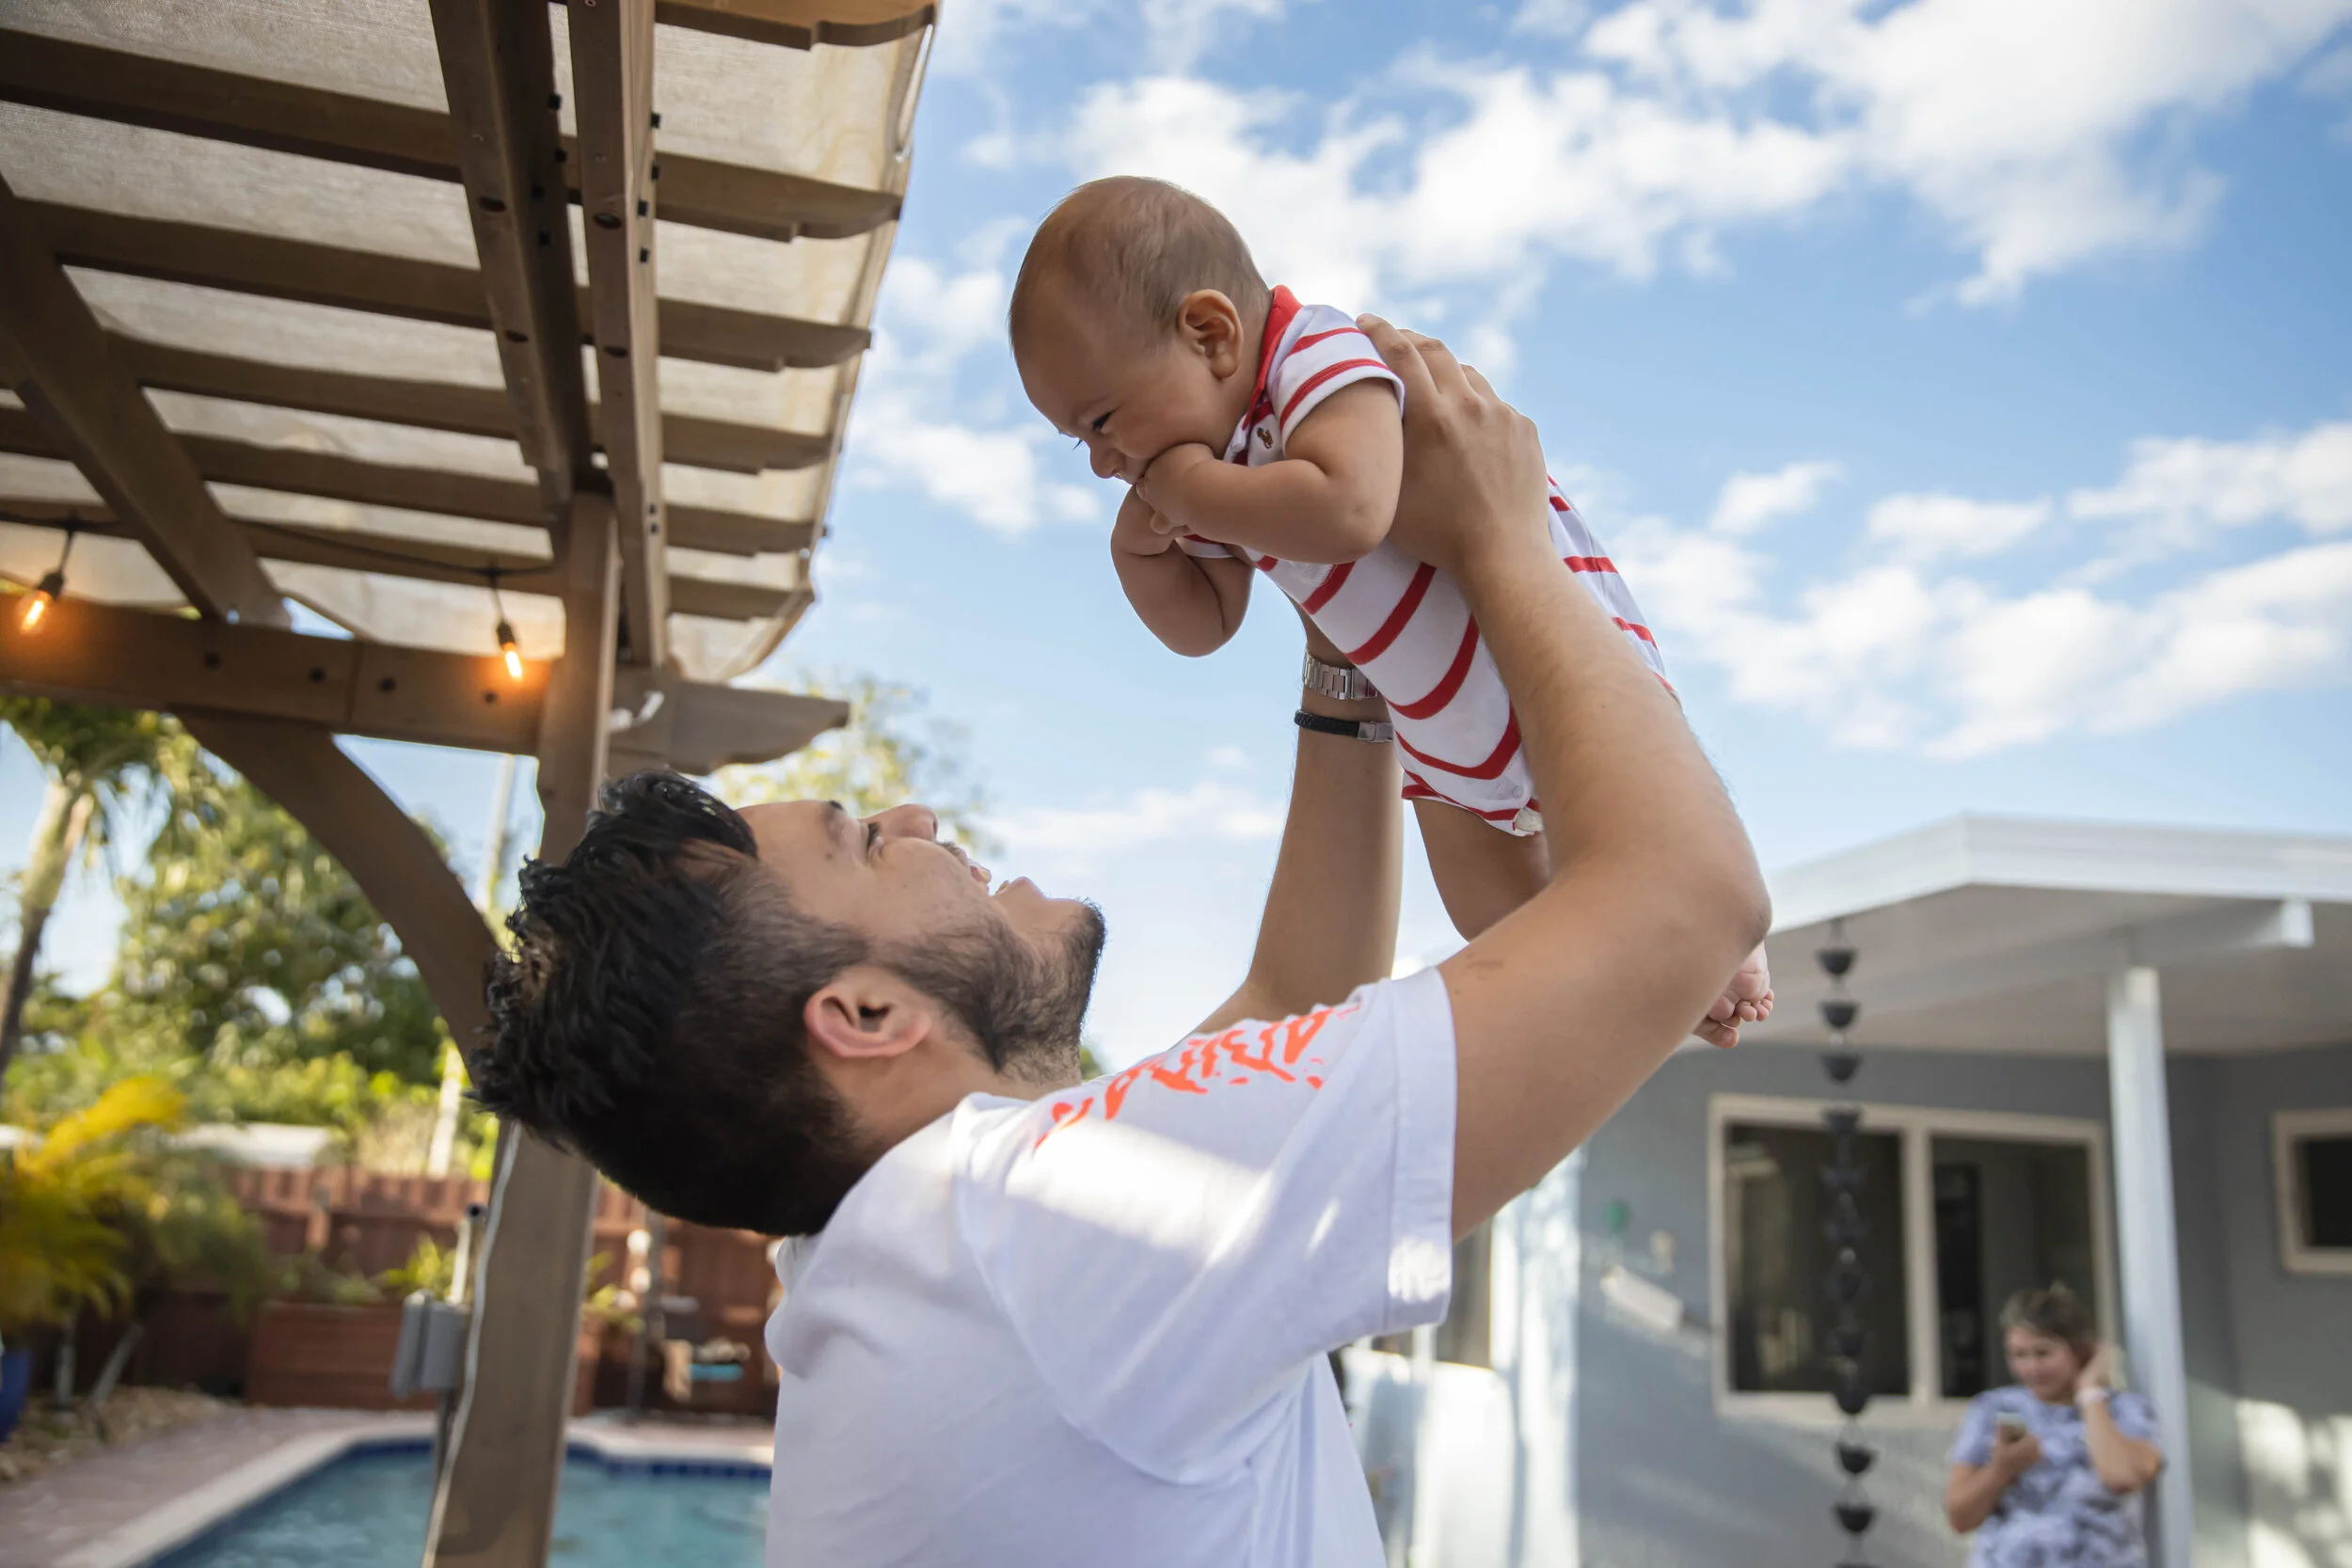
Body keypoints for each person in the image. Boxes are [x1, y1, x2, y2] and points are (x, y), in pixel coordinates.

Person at [470, 323, 1771, 1566]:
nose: (916, 814)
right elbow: (1684, 903)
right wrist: (1499, 534)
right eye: (867, 840)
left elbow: (1294, 993)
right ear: (864, 1015)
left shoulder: (917, 1254)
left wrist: (1357, 643)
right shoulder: (1030, 1232)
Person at [1008, 176, 1773, 1041]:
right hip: (1437, 734)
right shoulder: (1217, 462)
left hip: (1534, 651)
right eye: (1083, 442)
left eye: (1104, 421)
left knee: (1633, 820)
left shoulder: (1317, 357)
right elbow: (1207, 626)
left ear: (1211, 334)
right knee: (1500, 918)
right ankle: (1657, 994)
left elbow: (1350, 508)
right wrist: (1142, 557)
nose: (1107, 463)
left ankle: (1723, 948)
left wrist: (1191, 487)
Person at [1945, 1284, 2165, 1567]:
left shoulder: (2125, 1410)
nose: (2032, 1368)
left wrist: (2090, 1394)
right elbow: (1959, 1518)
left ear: (2079, 1351)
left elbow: (2121, 1477)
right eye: (2019, 1355)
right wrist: (2002, 1469)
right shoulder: (1994, 1409)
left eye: (2043, 1353)